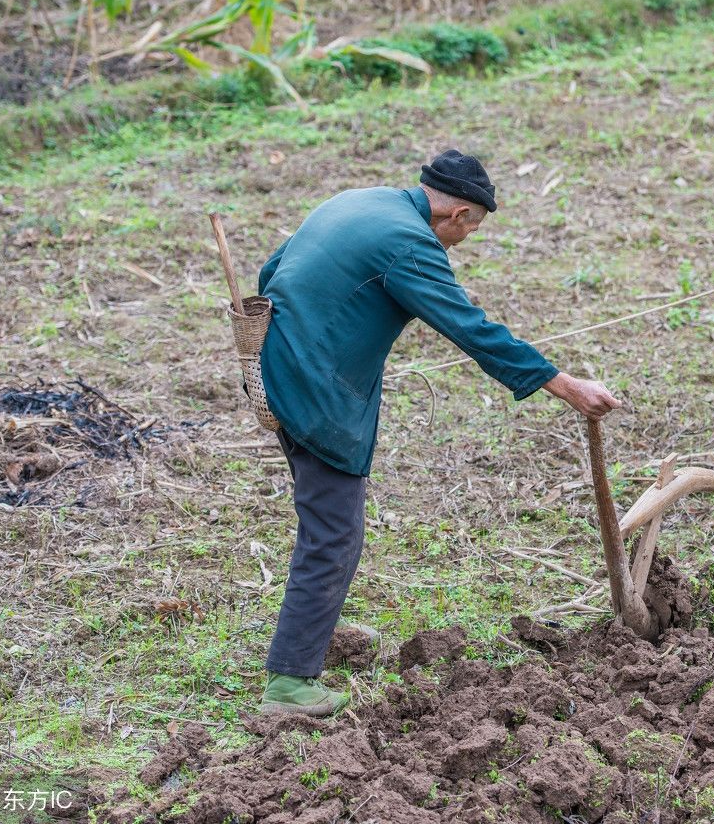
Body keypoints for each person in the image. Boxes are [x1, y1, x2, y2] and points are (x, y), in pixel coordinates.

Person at [255, 149, 621, 715]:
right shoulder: (410, 243)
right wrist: (563, 384)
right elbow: (468, 327)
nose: (466, 239)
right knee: (334, 530)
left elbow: (271, 272)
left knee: (328, 518)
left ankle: (317, 626)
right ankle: (289, 683)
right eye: (472, 228)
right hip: (314, 388)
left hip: (273, 367)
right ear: (458, 216)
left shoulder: (360, 201)